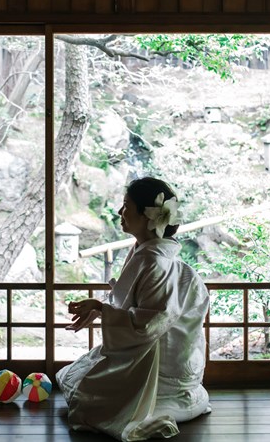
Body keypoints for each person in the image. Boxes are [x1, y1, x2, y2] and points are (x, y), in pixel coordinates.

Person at [56, 177, 211, 441]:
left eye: (126, 205)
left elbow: (150, 323)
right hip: (149, 349)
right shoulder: (147, 253)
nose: (120, 212)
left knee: (89, 402)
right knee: (75, 379)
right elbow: (134, 307)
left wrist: (102, 309)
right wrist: (100, 310)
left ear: (148, 217)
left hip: (161, 364)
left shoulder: (156, 263)